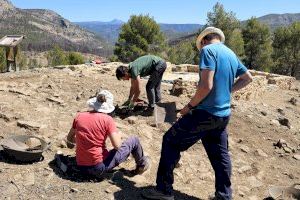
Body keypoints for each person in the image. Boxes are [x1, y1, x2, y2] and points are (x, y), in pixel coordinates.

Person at [142, 27, 253, 200]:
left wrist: (188, 107)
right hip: (223, 115)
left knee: (170, 141)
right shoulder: (230, 53)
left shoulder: (208, 51)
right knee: (220, 155)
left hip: (204, 113)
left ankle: (164, 190)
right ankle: (224, 195)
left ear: (203, 41)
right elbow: (247, 77)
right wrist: (227, 91)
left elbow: (206, 86)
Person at [66, 90, 150, 177]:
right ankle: (142, 165)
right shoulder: (107, 119)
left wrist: (78, 144)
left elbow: (69, 139)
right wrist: (119, 135)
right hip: (99, 167)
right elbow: (117, 146)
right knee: (134, 140)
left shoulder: (79, 116)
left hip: (81, 166)